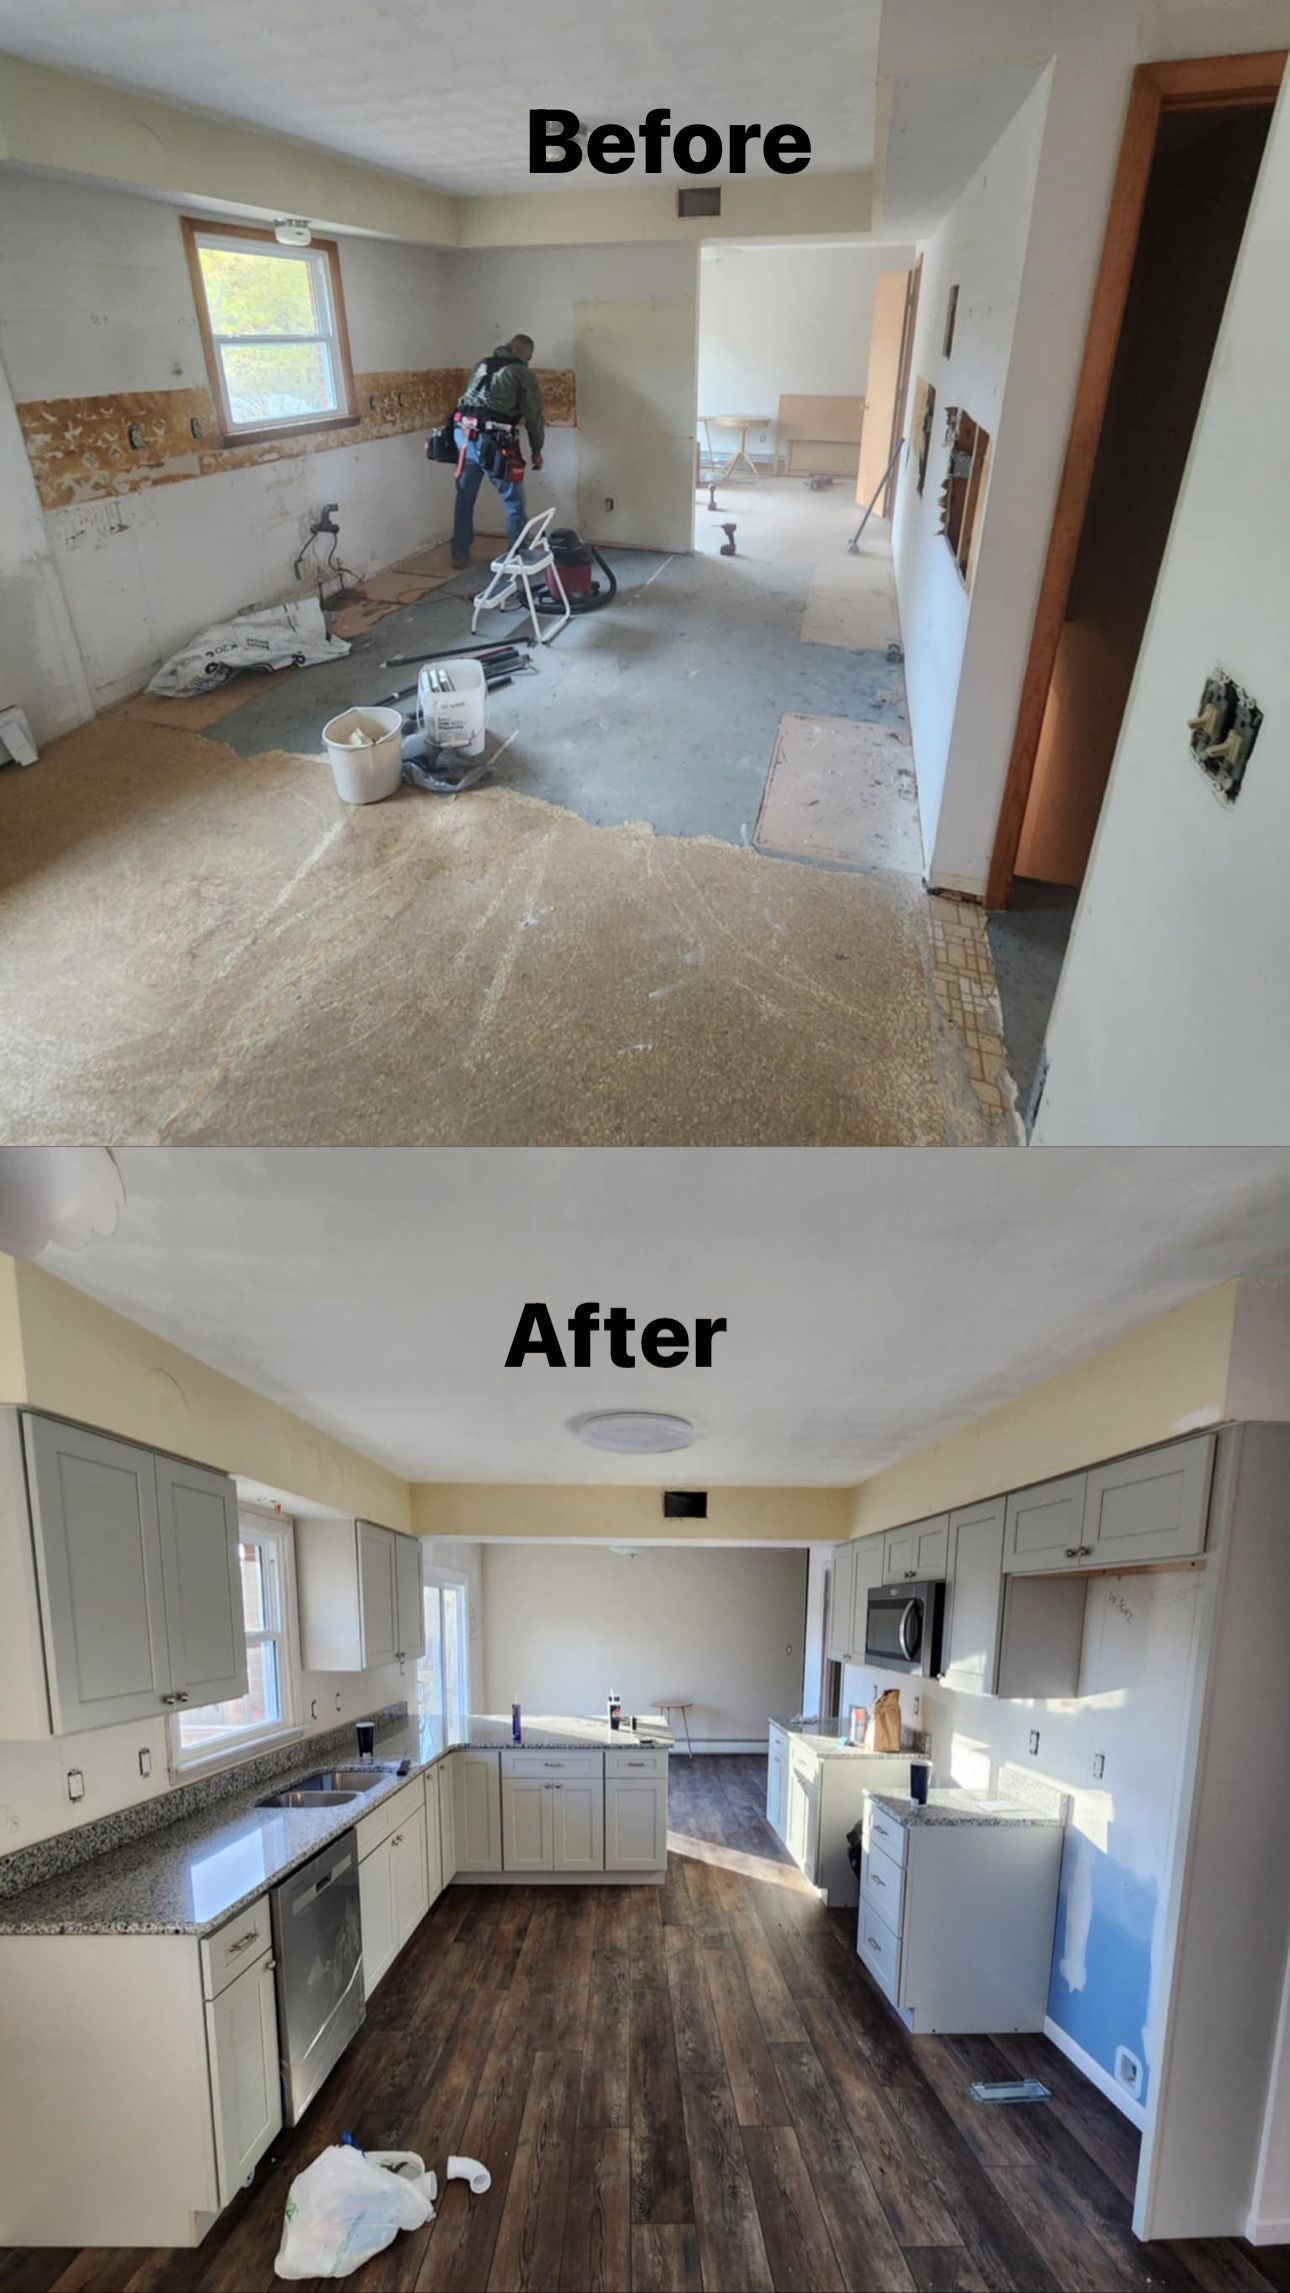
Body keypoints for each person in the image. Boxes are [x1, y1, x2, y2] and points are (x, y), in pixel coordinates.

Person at [451, 334, 546, 568]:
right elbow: (533, 416)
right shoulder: (521, 372)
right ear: (526, 354)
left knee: (465, 496)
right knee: (514, 501)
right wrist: (537, 449)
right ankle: (518, 555)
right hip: (494, 441)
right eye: (529, 358)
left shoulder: (481, 365)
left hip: (463, 436)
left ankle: (459, 554)